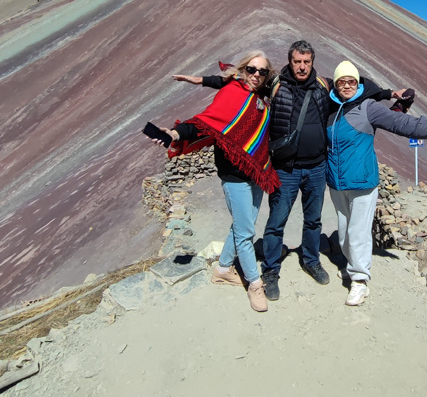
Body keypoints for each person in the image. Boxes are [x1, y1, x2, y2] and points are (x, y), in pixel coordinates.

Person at [173, 40, 404, 301]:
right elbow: (239, 80)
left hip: (316, 167)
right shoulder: (274, 83)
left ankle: (311, 261)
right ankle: (271, 270)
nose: (302, 66)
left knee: (313, 220)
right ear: (290, 61)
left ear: (312, 62)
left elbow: (360, 86)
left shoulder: (325, 86)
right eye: (297, 62)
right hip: (285, 169)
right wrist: (202, 81)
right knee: (276, 222)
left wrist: (389, 93)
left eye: (306, 62)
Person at [150, 51, 280, 312]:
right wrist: (175, 133)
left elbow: (227, 79)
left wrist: (203, 80)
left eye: (262, 71)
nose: (256, 75)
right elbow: (204, 122)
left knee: (242, 226)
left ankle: (222, 269)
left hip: (255, 171)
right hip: (234, 176)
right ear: (243, 70)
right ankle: (254, 284)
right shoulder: (232, 93)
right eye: (251, 69)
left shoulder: (261, 95)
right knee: (246, 232)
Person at [326, 61, 427, 306]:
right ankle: (352, 266)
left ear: (358, 83)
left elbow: (398, 122)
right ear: (336, 84)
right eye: (342, 81)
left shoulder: (367, 107)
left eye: (352, 81)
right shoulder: (330, 109)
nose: (347, 86)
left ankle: (360, 281)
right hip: (336, 182)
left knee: (358, 232)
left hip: (363, 181)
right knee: (344, 232)